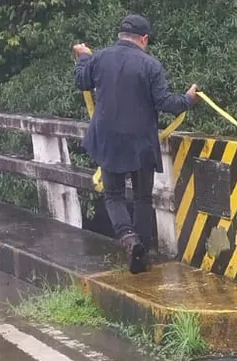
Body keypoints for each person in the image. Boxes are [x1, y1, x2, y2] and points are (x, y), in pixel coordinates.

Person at [72, 14, 198, 274]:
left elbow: (81, 81)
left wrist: (83, 56)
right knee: (143, 198)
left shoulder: (100, 58)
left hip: (108, 141)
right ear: (144, 39)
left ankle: (128, 238)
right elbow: (166, 103)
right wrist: (188, 99)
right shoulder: (150, 65)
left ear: (120, 36)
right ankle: (141, 255)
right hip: (141, 143)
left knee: (113, 195)